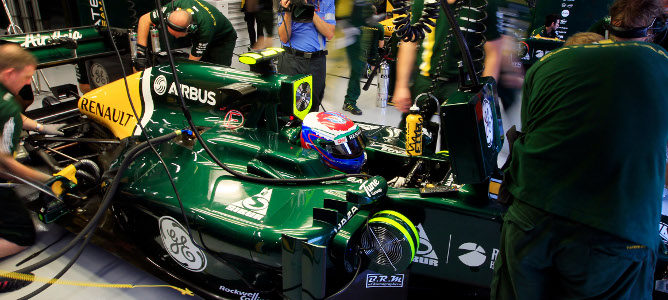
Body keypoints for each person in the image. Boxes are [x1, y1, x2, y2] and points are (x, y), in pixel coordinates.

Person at [491, 0, 668, 298]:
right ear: (656, 30)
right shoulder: (661, 65)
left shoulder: (549, 62)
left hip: (529, 219)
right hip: (613, 231)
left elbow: (532, 134)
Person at [0, 44, 67, 292]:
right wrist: (46, 181)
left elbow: (15, 115)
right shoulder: (4, 104)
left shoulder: (5, 97)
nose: (29, 82)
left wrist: (42, 127)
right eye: (27, 76)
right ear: (9, 73)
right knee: (20, 235)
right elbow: (4, 164)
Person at [393, 0, 501, 147]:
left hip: (463, 86)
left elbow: (493, 51)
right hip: (424, 81)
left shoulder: (483, 4)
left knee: (455, 148)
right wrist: (401, 85)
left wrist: (484, 97)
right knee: (409, 141)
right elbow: (410, 41)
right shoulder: (425, 2)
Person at [135, 0, 237, 68]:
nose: (174, 37)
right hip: (206, 29)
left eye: (176, 35)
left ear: (190, 29)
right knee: (201, 67)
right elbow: (144, 20)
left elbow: (192, 63)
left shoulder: (205, 29)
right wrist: (141, 53)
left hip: (223, 39)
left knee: (217, 72)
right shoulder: (174, 6)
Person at [277, 0, 336, 112]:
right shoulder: (287, 2)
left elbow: (329, 33)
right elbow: (284, 38)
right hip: (290, 60)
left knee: (313, 106)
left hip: (316, 62)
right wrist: (288, 12)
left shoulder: (327, 2)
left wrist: (309, 10)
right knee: (287, 104)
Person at [342, 1, 384, 115]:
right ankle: (349, 102)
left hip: (362, 51)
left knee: (357, 72)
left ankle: (350, 101)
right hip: (356, 47)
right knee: (356, 72)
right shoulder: (360, 20)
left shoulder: (368, 24)